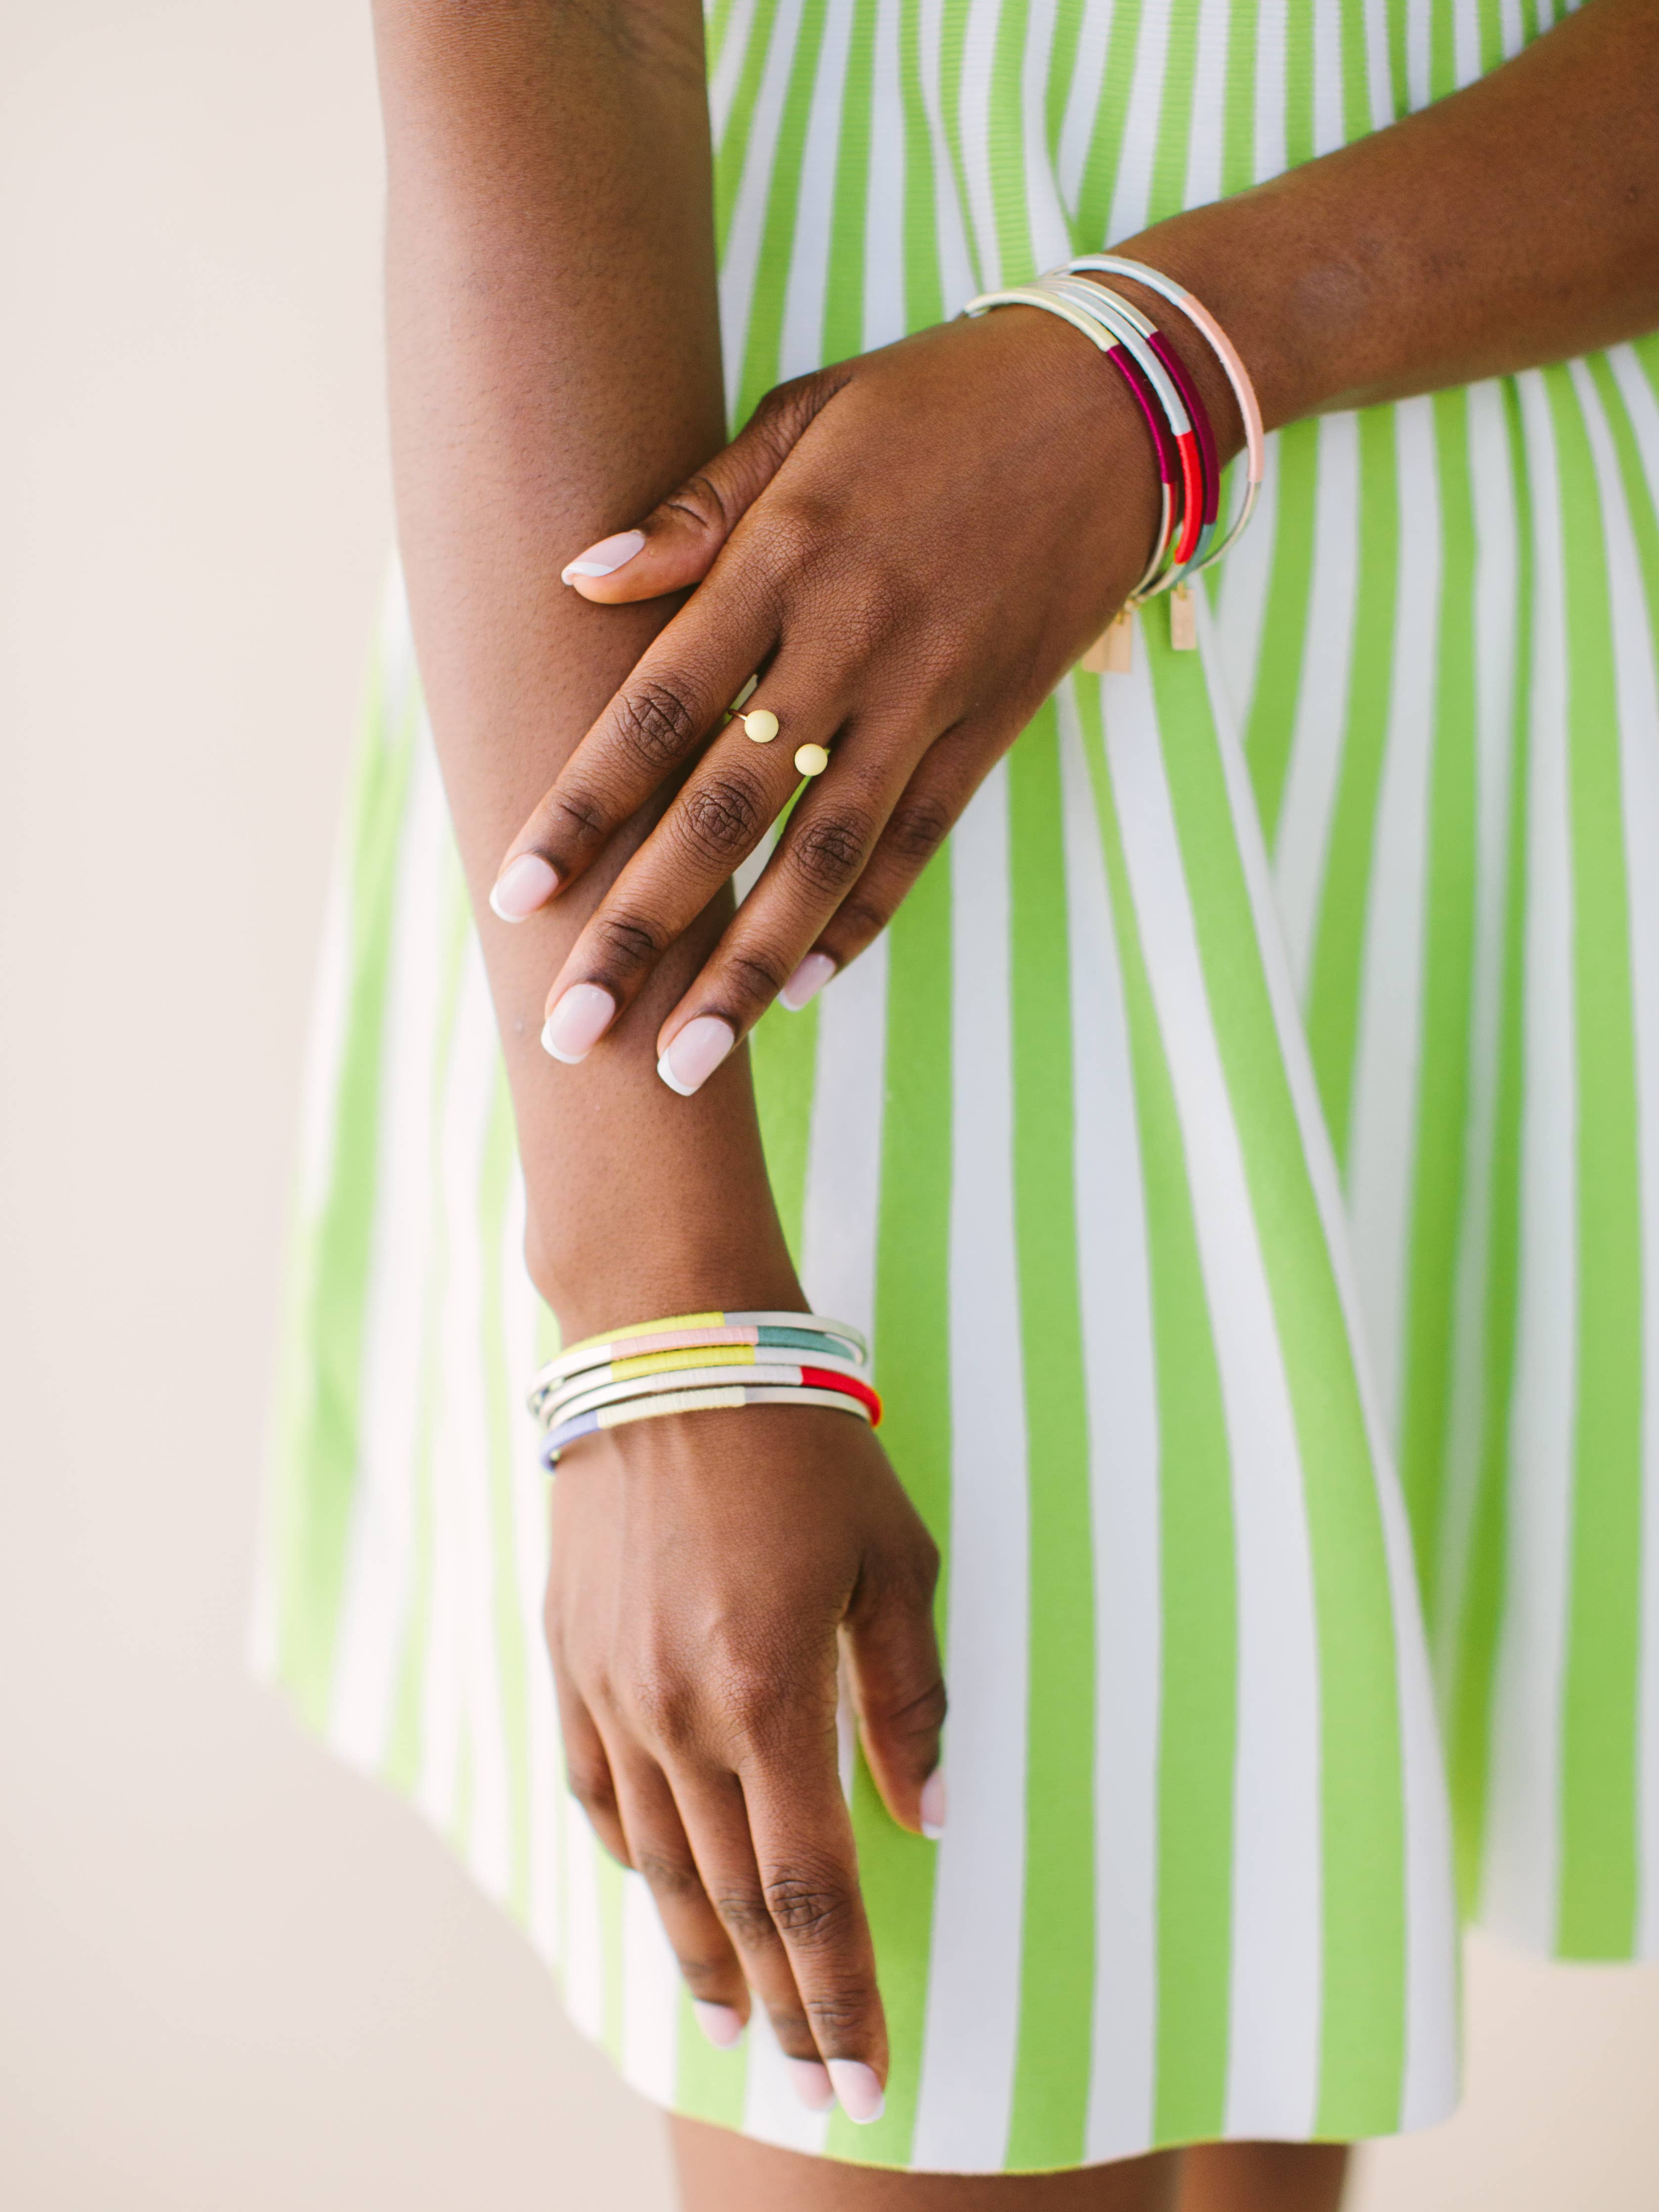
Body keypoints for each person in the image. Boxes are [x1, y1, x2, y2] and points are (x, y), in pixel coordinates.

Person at [256, 0, 1659, 2204]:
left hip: (1453, 562)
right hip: (814, 662)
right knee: (942, 1967)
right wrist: (658, 1286)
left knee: (1264, 1954)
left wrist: (1172, 360)